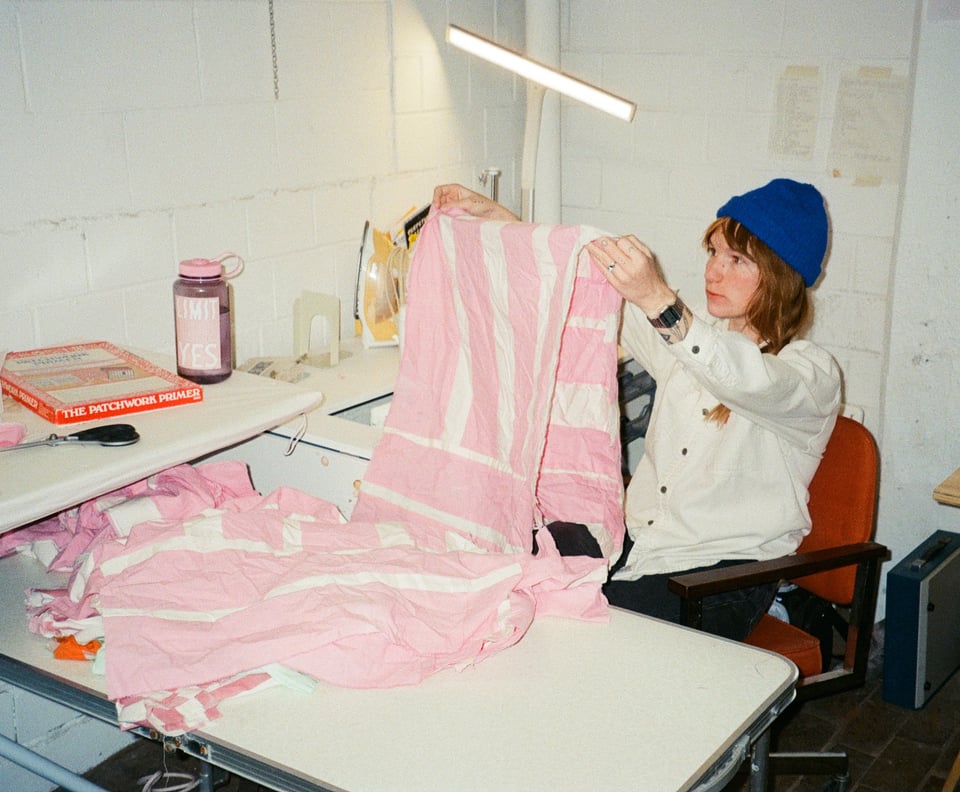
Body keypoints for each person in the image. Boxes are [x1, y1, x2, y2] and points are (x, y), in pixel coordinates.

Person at [431, 179, 841, 640]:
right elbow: (594, 283)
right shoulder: (690, 341)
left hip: (722, 576)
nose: (713, 272)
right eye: (713, 253)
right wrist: (501, 220)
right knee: (507, 550)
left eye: (736, 260)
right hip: (642, 545)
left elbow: (742, 377)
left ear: (781, 275)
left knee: (576, 631)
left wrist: (657, 298)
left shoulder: (810, 375)